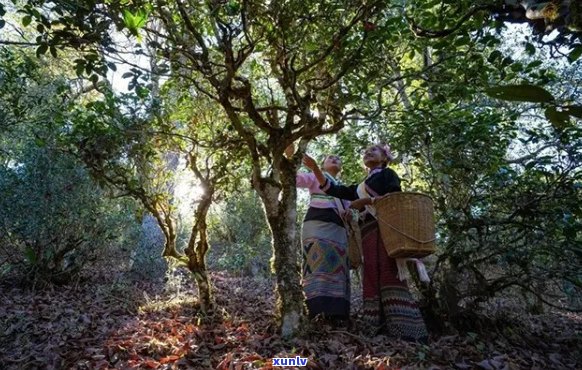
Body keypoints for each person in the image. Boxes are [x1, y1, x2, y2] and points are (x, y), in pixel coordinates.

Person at [303, 144, 428, 343]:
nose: (368, 153)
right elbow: (333, 189)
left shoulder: (388, 175)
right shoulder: (360, 186)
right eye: (366, 151)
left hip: (387, 230)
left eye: (374, 151)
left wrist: (366, 202)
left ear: (384, 158)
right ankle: (374, 325)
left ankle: (406, 329)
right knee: (371, 273)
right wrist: (316, 169)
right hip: (367, 232)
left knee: (389, 272)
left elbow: (395, 200)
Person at [286, 145, 350, 322]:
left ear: (341, 167)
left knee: (338, 267)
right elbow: (295, 179)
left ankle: (338, 312)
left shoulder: (342, 188)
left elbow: (351, 209)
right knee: (316, 263)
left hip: (338, 229)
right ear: (322, 165)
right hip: (316, 224)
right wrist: (291, 155)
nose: (335, 159)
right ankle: (316, 308)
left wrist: (351, 212)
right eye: (330, 158)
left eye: (337, 158)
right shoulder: (314, 176)